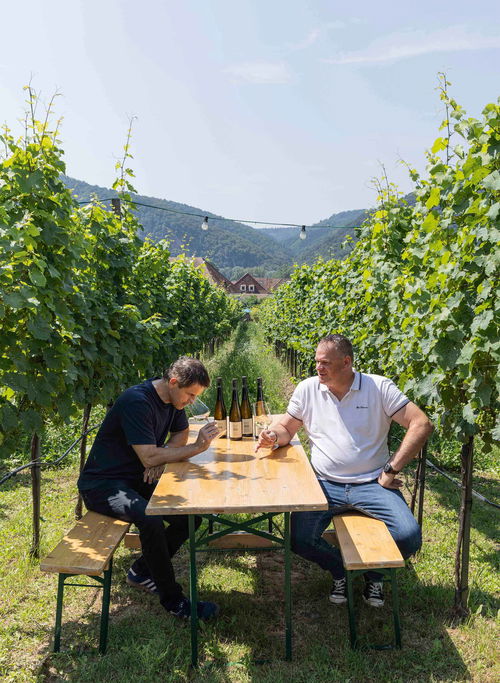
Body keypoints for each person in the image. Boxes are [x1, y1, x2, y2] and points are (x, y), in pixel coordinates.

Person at [256, 334, 433, 607]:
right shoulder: (308, 389)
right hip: (323, 484)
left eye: (325, 363)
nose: (318, 368)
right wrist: (273, 436)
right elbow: (287, 427)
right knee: (297, 538)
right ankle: (340, 570)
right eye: (317, 362)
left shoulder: (378, 388)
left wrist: (391, 470)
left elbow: (421, 423)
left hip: (372, 484)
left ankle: (374, 575)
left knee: (408, 537)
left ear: (346, 362)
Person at [78, 356, 221, 620]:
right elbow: (152, 456)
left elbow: (180, 433)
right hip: (102, 484)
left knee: (190, 519)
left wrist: (162, 452)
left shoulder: (173, 399)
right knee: (150, 518)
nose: (191, 402)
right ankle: (174, 601)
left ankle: (141, 572)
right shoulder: (138, 401)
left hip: (136, 479)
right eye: (190, 395)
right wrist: (194, 449)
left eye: (195, 397)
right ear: (174, 382)